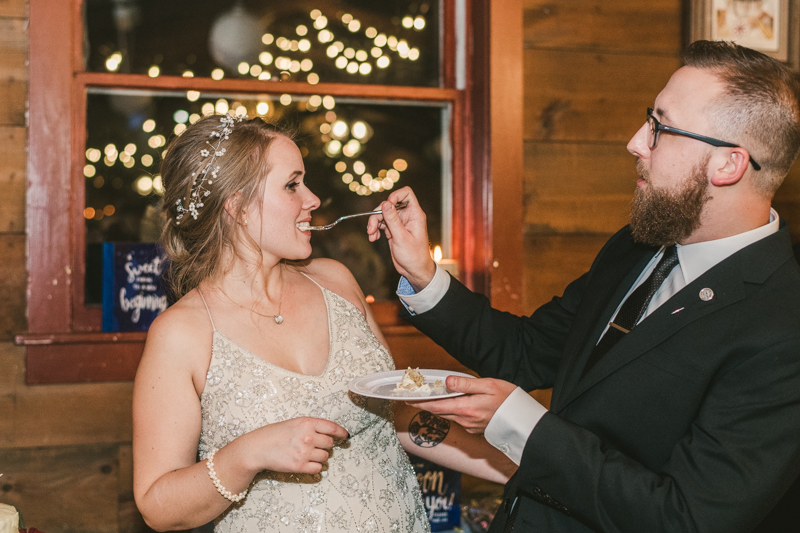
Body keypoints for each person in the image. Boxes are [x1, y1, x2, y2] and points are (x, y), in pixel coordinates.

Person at [366, 40, 800, 533]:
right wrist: (423, 272)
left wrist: (521, 425)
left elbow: (687, 518)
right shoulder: (635, 248)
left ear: (728, 164)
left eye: (660, 126)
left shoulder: (783, 327)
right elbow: (525, 351)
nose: (636, 142)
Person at [132, 114, 516, 532]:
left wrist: (521, 471)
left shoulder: (337, 281)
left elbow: (397, 418)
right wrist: (246, 455)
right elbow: (157, 505)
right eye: (292, 185)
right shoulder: (182, 332)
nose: (312, 199)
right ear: (237, 206)